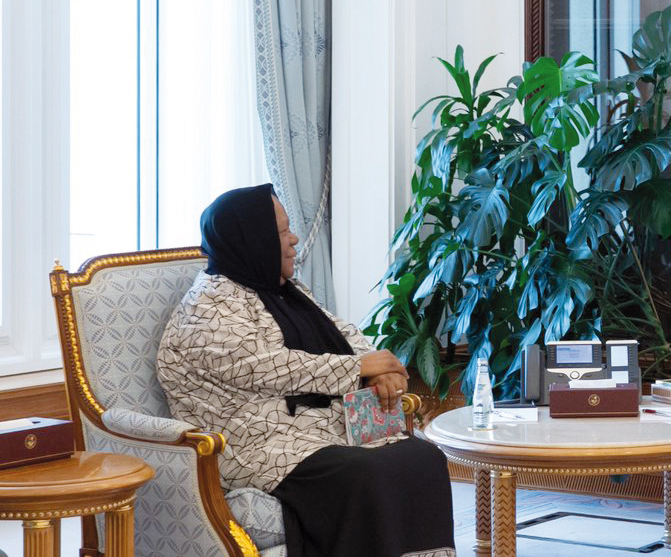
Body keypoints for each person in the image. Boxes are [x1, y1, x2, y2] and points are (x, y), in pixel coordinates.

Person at [157, 184, 456, 557]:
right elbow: (268, 367)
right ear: (252, 240)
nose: (294, 239)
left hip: (319, 432)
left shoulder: (282, 288)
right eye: (282, 232)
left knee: (423, 457)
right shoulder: (207, 310)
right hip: (256, 446)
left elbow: (343, 331)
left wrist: (380, 369)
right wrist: (359, 366)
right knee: (364, 474)